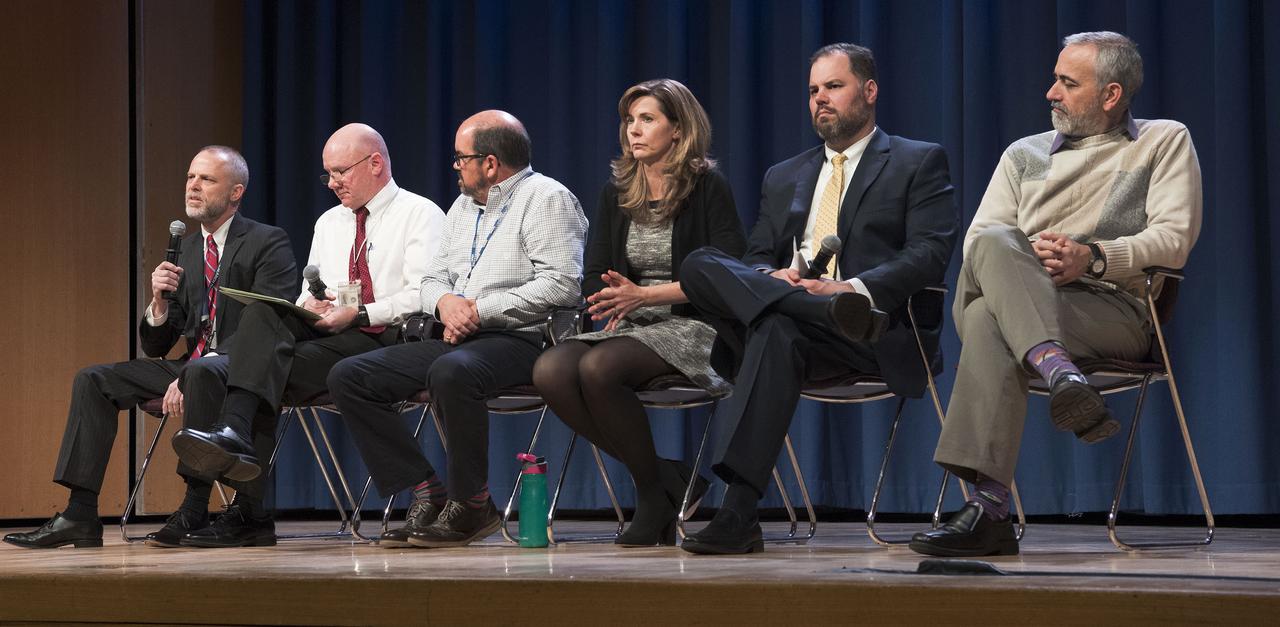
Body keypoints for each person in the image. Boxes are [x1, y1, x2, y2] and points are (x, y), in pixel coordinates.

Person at [910, 31, 1202, 558]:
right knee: (994, 243)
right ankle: (1060, 372)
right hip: (1020, 295)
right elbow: (979, 243)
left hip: (1111, 308)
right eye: (1054, 79)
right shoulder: (1023, 154)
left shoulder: (1163, 140)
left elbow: (1174, 239)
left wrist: (1089, 256)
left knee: (987, 324)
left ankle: (989, 510)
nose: (1051, 92)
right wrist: (1032, 260)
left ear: (1111, 95)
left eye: (1068, 83)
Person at [677, 43, 959, 554]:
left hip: (875, 327)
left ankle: (738, 514)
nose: (820, 99)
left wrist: (850, 288)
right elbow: (756, 254)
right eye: (813, 91)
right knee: (702, 264)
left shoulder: (917, 160)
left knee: (771, 328)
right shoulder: (784, 175)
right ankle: (740, 514)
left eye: (833, 87)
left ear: (869, 91)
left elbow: (930, 254)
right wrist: (775, 276)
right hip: (808, 320)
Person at [3, 146, 297, 549]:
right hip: (191, 365)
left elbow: (270, 319)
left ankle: (194, 506)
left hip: (242, 365)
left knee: (200, 371)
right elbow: (156, 343)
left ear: (236, 192)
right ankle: (80, 513)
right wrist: (158, 304)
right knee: (94, 380)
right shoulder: (189, 250)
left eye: (207, 179)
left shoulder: (267, 241)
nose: (193, 186)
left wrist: (206, 361)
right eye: (190, 177)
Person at [168, 123, 445, 548]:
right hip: (332, 337)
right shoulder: (329, 222)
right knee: (264, 316)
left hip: (388, 336)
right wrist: (309, 307)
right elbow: (309, 289)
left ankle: (243, 475)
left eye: (340, 172)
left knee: (259, 370)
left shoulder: (419, 213)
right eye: (327, 175)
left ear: (375, 163)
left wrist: (360, 311)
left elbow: (425, 293)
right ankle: (248, 504)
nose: (332, 184)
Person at [327, 110, 587, 549]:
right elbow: (432, 280)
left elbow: (562, 283)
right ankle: (428, 490)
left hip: (525, 337)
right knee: (350, 376)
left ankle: (472, 504)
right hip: (458, 335)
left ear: (489, 163)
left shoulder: (547, 198)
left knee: (452, 373)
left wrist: (479, 310)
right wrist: (447, 304)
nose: (454, 166)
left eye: (461, 158)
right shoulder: (464, 207)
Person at [531, 79, 747, 547]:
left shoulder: (708, 186)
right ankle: (664, 478)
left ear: (678, 128)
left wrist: (646, 297)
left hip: (696, 325)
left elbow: (731, 273)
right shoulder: (618, 191)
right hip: (632, 325)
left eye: (647, 119)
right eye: (630, 121)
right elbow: (594, 270)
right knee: (550, 370)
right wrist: (609, 298)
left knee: (599, 367)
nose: (634, 130)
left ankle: (651, 498)